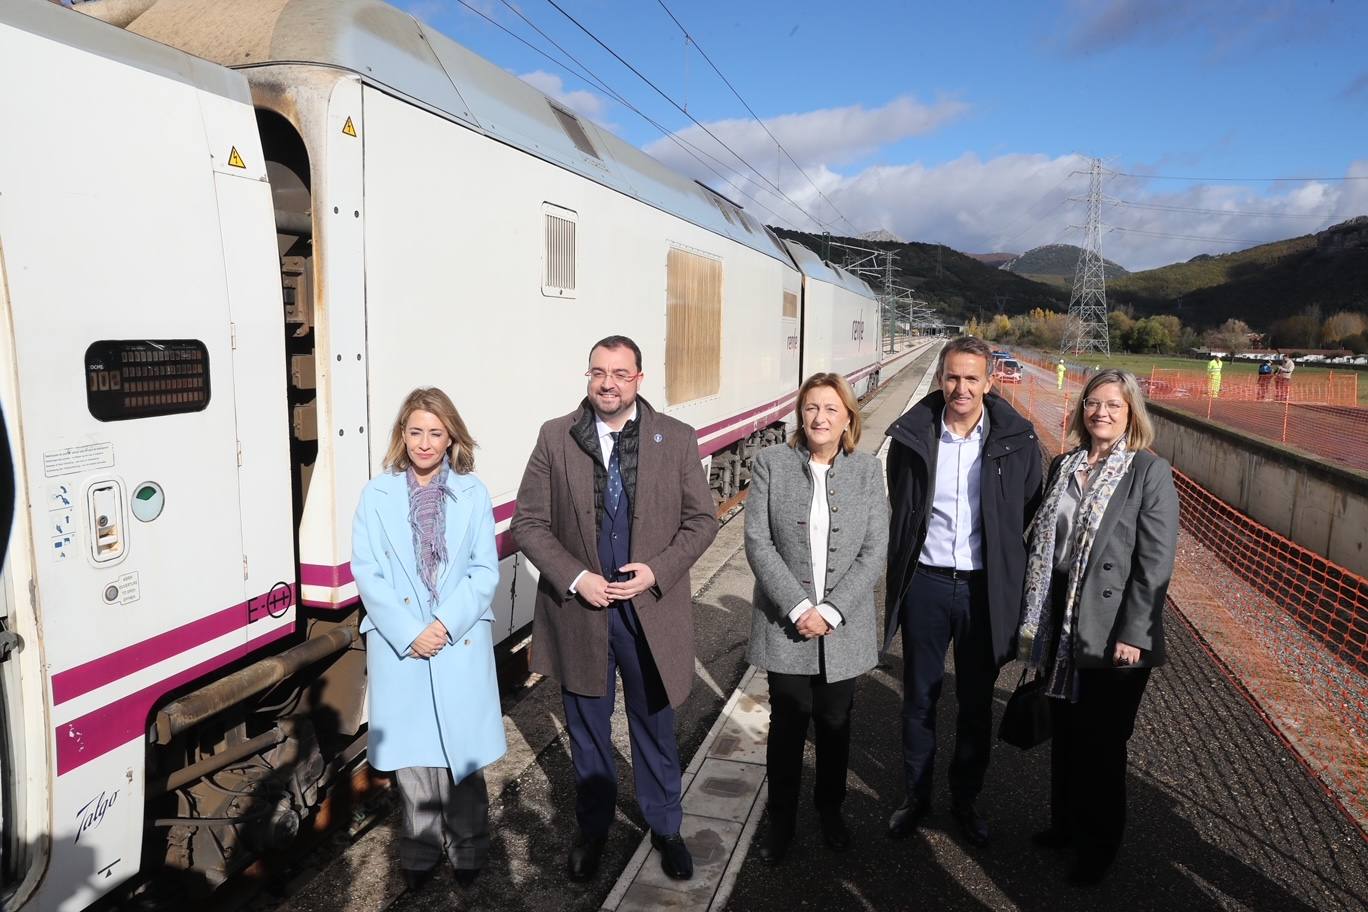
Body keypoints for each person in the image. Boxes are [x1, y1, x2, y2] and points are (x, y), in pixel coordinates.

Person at [511, 335, 718, 883]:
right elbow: (527, 523)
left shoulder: (674, 438)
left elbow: (703, 521)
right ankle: (594, 829)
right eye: (599, 372)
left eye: (621, 374)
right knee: (588, 731)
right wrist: (577, 578)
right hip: (582, 611)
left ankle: (666, 826)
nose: (608, 383)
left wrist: (657, 570)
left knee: (654, 726)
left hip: (649, 610)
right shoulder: (555, 437)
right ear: (588, 376)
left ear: (639, 380)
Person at [1017, 369, 1179, 885]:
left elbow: (1155, 563)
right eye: (1092, 403)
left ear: (1132, 413)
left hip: (1114, 628)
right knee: (1066, 732)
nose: (1101, 412)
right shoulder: (1065, 464)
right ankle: (1063, 824)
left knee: (1102, 744)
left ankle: (1098, 845)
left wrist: (1135, 632)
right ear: (1081, 410)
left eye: (1113, 404)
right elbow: (1044, 539)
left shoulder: (1148, 472)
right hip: (1061, 616)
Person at [884, 336, 1043, 847]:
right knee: (919, 699)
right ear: (940, 378)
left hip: (982, 591)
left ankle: (965, 800)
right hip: (925, 585)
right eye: (953, 376)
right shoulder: (914, 435)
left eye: (972, 378)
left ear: (989, 383)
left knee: (976, 704)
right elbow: (903, 500)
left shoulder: (1017, 441)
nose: (961, 387)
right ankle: (915, 796)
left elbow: (1027, 509)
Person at [351, 388, 505, 891]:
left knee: (461, 755)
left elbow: (484, 571)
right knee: (414, 759)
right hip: (402, 644)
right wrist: (410, 631)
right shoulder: (376, 496)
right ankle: (418, 852)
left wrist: (443, 624)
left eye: (435, 433)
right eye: (415, 431)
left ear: (451, 438)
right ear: (402, 435)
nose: (424, 442)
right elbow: (368, 572)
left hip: (454, 638)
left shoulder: (473, 492)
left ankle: (469, 846)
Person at [744, 373, 889, 863]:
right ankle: (781, 821)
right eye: (811, 408)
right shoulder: (771, 464)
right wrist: (801, 608)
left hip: (842, 625)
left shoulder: (868, 472)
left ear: (848, 416)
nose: (820, 418)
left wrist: (830, 610)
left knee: (834, 722)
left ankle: (830, 809)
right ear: (800, 414)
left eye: (831, 408)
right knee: (786, 723)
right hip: (787, 624)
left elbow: (874, 550)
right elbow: (758, 543)